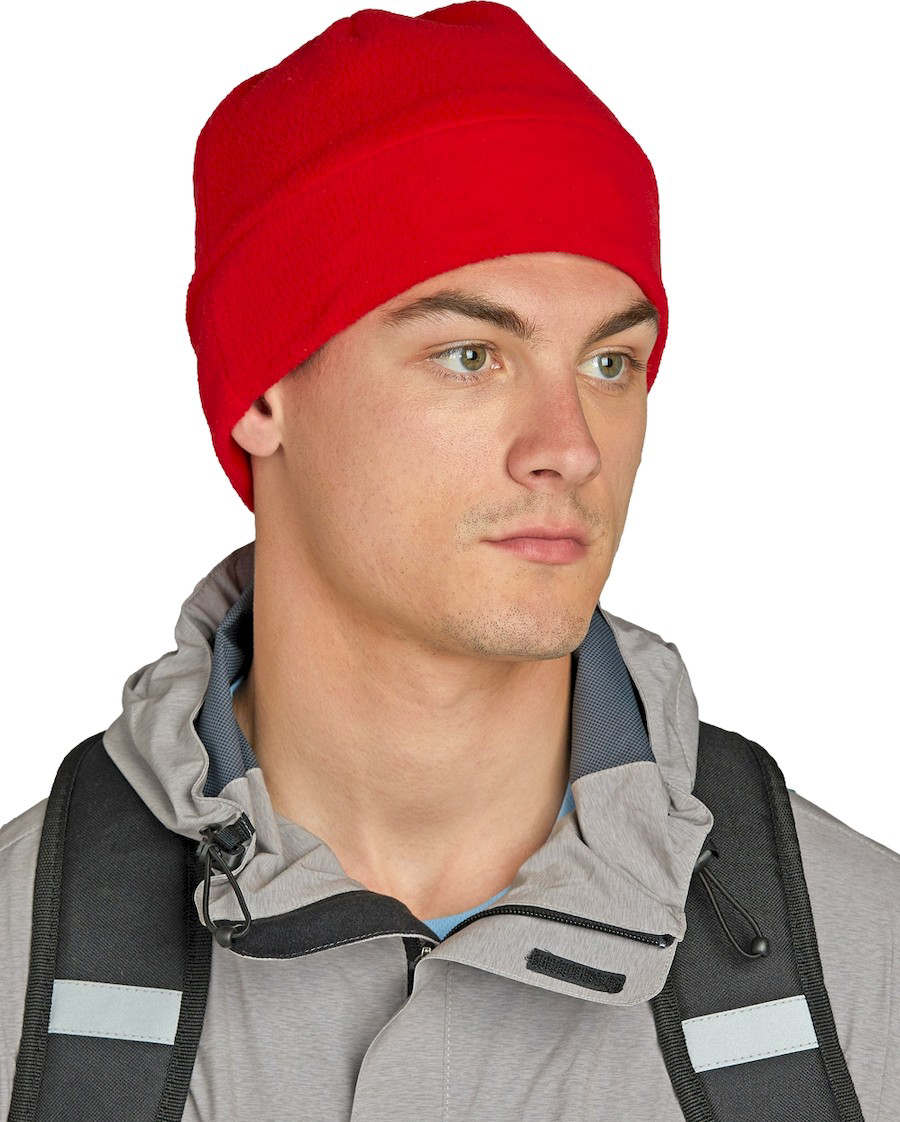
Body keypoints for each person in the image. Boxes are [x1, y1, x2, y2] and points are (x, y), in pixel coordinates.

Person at [1, 4, 897, 1120]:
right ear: (263, 395)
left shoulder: (866, 975)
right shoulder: (18, 977)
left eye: (611, 362)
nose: (571, 446)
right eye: (472, 356)